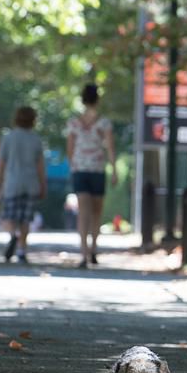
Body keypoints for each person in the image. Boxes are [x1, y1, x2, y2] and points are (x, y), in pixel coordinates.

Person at [66, 83, 117, 269]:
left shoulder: (73, 123)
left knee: (83, 212)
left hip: (80, 170)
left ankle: (83, 252)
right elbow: (110, 147)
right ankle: (93, 249)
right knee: (96, 212)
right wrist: (113, 169)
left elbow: (70, 148)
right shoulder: (104, 123)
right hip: (97, 169)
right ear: (97, 99)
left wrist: (74, 165)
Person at [0, 106, 46, 264]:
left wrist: (0, 183)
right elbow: (40, 166)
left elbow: (1, 163)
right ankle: (22, 250)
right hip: (31, 183)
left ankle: (13, 236)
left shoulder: (8, 138)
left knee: (9, 216)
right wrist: (43, 185)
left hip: (12, 182)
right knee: (25, 219)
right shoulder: (36, 140)